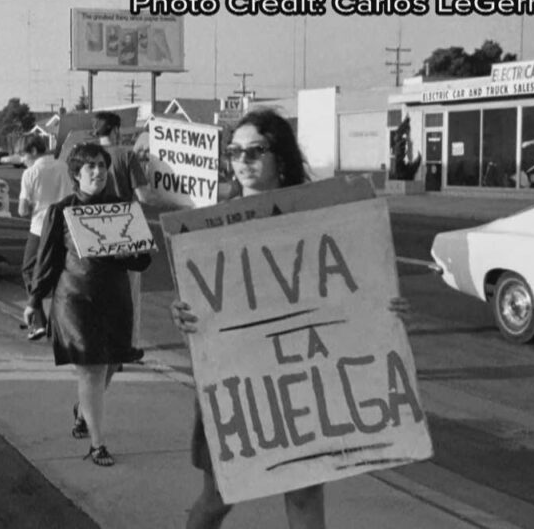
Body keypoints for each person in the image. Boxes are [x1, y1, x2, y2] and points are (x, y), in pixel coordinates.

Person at [169, 109, 410, 529]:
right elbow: (200, 296)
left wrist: (383, 309)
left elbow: (351, 288)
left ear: (280, 156)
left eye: (255, 150)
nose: (242, 160)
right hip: (236, 382)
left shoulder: (318, 216)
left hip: (302, 379)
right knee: (218, 497)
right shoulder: (211, 225)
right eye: (234, 151)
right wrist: (183, 311)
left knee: (304, 495)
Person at [24, 142, 151, 467]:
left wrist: (130, 254)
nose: (97, 171)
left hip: (114, 300)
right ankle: (97, 444)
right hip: (75, 301)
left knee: (110, 366)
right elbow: (47, 261)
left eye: (101, 165)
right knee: (92, 370)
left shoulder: (124, 209)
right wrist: (35, 299)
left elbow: (142, 261)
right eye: (89, 167)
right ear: (76, 175)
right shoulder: (61, 211)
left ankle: (83, 412)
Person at [93, 111, 150, 360]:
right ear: (115, 130)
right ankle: (127, 346)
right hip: (127, 226)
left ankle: (101, 342)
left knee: (101, 289)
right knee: (130, 292)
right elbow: (145, 196)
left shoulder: (87, 157)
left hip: (96, 227)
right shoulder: (127, 156)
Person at [17, 134, 73, 341]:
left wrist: (33, 205)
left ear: (33, 151)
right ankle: (62, 323)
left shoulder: (31, 173)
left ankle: (38, 320)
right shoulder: (63, 167)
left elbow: (23, 210)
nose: (22, 160)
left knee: (30, 270)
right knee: (60, 273)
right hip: (66, 226)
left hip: (40, 228)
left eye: (23, 155)